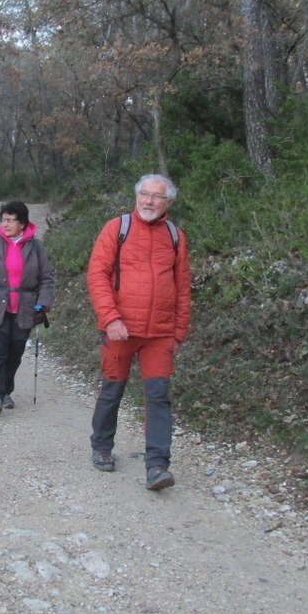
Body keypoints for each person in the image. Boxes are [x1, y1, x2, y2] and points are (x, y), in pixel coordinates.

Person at [86, 174, 191, 490]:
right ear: (136, 197)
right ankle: (102, 445)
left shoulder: (175, 236)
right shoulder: (117, 229)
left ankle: (157, 465)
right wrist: (110, 318)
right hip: (120, 329)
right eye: (144, 194)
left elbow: (183, 287)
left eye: (156, 197)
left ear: (168, 202)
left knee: (158, 396)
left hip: (159, 334)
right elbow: (97, 275)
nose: (148, 201)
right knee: (112, 389)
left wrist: (178, 332)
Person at [0, 201, 54, 415]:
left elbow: (46, 279)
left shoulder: (36, 247)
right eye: (3, 219)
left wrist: (43, 304)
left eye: (10, 220)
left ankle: (6, 390)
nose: (5, 224)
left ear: (22, 223)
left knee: (15, 352)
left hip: (25, 306)